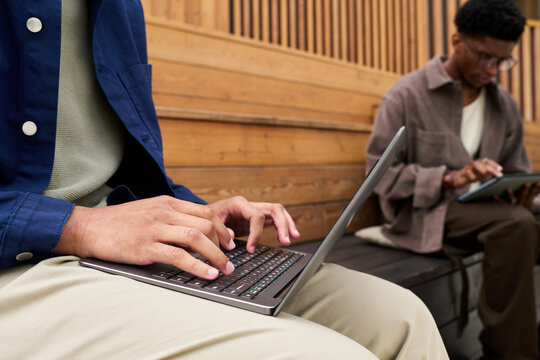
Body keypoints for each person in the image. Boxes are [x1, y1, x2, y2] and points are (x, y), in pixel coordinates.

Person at [0, 1, 449, 358]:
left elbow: (116, 167)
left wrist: (196, 215)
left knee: (403, 319)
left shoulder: (120, 8)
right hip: (21, 264)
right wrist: (79, 226)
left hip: (131, 254)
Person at [366, 0, 540, 358]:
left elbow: (517, 171)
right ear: (457, 40)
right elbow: (378, 177)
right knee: (517, 225)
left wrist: (523, 193)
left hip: (490, 212)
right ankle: (510, 353)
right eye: (484, 57)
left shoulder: (504, 105)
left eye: (503, 61)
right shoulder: (407, 95)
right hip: (426, 215)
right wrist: (449, 178)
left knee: (522, 217)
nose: (492, 70)